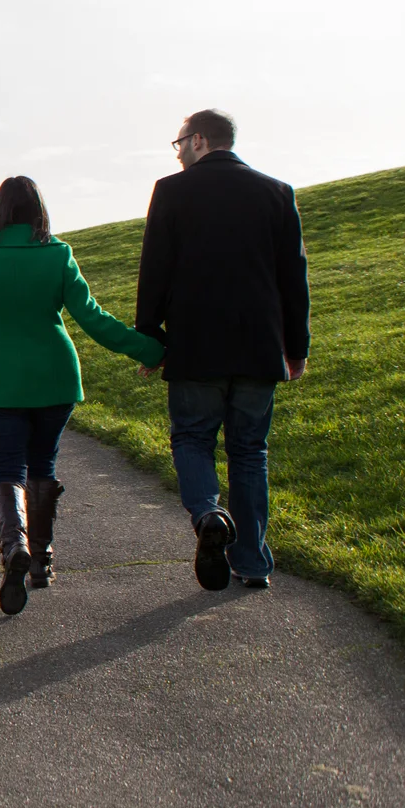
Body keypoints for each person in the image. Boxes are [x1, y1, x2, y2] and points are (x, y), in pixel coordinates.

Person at [0, 176, 165, 615]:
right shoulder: (57, 253)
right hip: (55, 378)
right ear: (38, 210)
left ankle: (14, 550)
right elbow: (92, 318)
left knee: (7, 469)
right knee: (43, 465)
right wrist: (150, 349)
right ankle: (41, 563)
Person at [136, 109, 309, 592]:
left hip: (196, 345)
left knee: (192, 439)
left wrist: (150, 338)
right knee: (250, 451)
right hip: (258, 348)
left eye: (178, 143)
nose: (177, 153)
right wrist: (297, 348)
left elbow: (155, 271)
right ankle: (251, 562)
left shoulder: (171, 191)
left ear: (199, 141)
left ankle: (209, 514)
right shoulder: (277, 192)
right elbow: (294, 281)